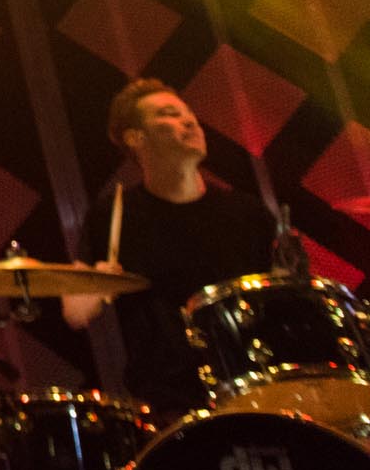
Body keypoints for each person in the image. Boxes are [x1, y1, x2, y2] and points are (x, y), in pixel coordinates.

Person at [62, 76, 285, 415]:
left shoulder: (248, 212)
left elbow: (284, 301)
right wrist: (101, 283)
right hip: (169, 403)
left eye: (188, 114)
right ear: (136, 138)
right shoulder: (114, 216)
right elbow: (74, 313)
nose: (190, 121)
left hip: (257, 388)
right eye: (169, 114)